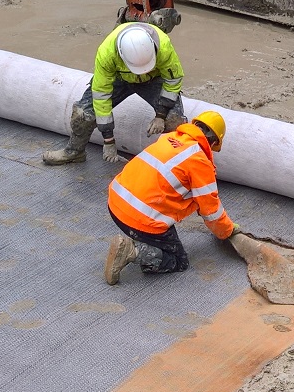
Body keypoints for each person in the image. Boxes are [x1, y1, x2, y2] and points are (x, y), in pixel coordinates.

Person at [104, 110, 236, 284]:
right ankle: (132, 251)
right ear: (212, 142)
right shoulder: (199, 162)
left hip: (115, 202)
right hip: (138, 217)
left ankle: (137, 240)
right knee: (178, 260)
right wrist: (228, 231)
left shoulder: (168, 137)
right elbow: (211, 211)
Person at [42, 21, 185, 166]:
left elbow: (173, 80)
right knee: (82, 114)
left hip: (154, 78)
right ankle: (74, 152)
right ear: (121, 54)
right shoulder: (107, 53)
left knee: (175, 120)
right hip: (119, 78)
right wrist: (108, 140)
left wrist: (161, 115)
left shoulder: (164, 46)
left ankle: (173, 164)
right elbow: (101, 95)